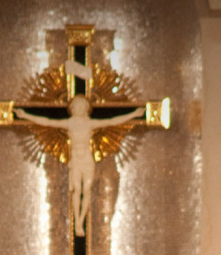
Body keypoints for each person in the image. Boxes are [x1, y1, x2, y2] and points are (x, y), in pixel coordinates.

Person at [14, 64, 145, 237]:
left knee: (87, 190)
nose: (79, 109)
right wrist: (25, 116)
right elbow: (46, 122)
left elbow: (113, 121)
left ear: (86, 108)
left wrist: (134, 114)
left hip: (87, 159)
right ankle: (78, 221)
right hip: (75, 160)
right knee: (76, 190)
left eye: (82, 106)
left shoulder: (90, 124)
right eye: (77, 106)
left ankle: (81, 220)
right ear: (73, 108)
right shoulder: (70, 124)